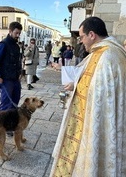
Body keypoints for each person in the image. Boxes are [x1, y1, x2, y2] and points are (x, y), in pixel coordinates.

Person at [50, 16, 126, 177]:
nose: (81, 41)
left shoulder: (109, 56)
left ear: (92, 35)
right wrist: (73, 83)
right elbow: (83, 73)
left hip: (97, 121)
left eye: (82, 37)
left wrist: (75, 86)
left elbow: (99, 92)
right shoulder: (99, 52)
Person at [0, 21, 22, 123]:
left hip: (15, 79)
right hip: (6, 80)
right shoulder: (3, 44)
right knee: (6, 104)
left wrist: (20, 73)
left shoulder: (16, 46)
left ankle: (10, 124)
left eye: (19, 33)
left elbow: (17, 62)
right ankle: (1, 126)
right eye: (16, 33)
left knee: (15, 102)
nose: (18, 35)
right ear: (10, 31)